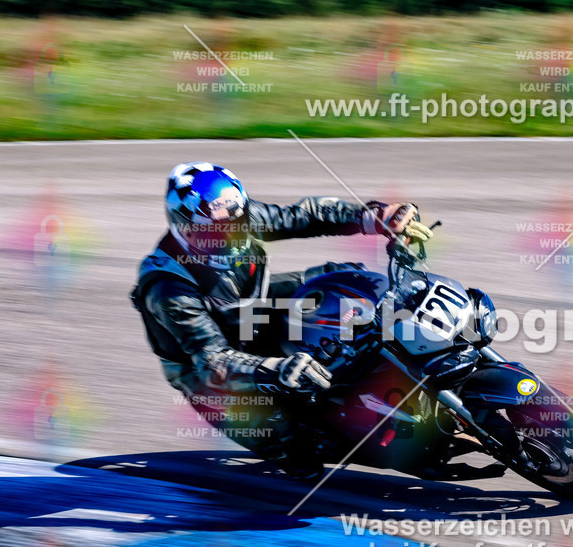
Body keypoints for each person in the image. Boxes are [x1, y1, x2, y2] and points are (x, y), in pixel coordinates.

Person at [130, 161, 432, 478]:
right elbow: (213, 360)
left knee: (348, 280)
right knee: (293, 445)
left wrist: (373, 217)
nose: (227, 237)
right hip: (205, 369)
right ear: (182, 224)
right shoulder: (167, 287)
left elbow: (304, 216)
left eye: (235, 225)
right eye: (211, 232)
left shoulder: (236, 217)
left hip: (251, 306)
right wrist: (275, 367)